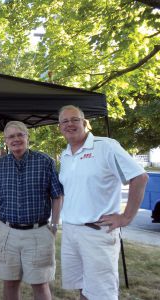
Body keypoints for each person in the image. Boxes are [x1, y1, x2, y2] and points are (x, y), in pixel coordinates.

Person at [58, 105, 148, 300]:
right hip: (71, 231)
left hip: (97, 233)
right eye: (64, 121)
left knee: (101, 293)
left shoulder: (105, 146)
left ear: (84, 123)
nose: (70, 124)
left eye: (74, 119)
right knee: (82, 287)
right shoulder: (65, 155)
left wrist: (126, 217)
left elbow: (139, 177)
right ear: (59, 127)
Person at [0, 121, 63, 300]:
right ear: (6, 141)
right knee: (9, 282)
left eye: (20, 135)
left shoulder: (45, 162)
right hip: (7, 233)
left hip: (37, 232)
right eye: (11, 136)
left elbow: (57, 196)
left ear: (27, 137)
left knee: (40, 283)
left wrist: (54, 225)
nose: (16, 139)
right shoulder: (0, 166)